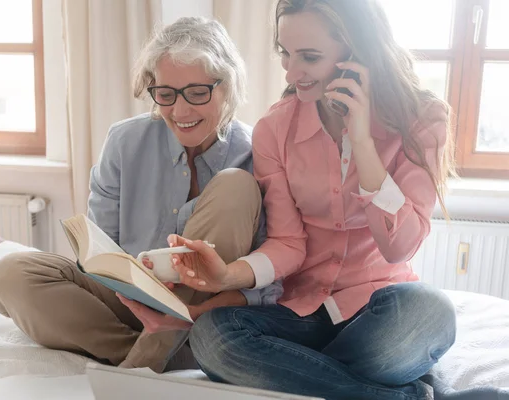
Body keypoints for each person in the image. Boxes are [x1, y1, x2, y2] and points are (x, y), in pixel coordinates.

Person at [164, 1, 459, 399]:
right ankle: (395, 394)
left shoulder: (422, 120)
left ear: (358, 52)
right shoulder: (275, 128)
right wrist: (226, 276)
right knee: (213, 337)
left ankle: (299, 374)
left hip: (378, 311)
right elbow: (289, 243)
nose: (290, 72)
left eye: (310, 57)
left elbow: (399, 247)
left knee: (430, 314)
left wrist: (362, 142)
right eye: (285, 53)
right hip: (300, 313)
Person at [0, 16, 281, 374]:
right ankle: (158, 354)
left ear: (229, 86)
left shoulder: (257, 156)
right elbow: (98, 253)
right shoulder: (124, 141)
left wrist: (189, 311)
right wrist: (134, 292)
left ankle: (138, 367)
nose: (180, 110)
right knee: (12, 272)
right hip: (128, 301)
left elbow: (269, 285)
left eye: (198, 92)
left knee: (235, 184)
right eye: (166, 94)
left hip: (207, 312)